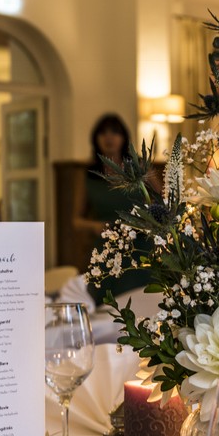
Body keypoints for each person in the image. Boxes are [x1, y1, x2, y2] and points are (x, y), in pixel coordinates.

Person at [75, 113, 152, 302]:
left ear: (124, 137)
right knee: (107, 307)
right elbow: (75, 221)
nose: (109, 137)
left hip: (140, 247)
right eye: (103, 133)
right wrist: (94, 226)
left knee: (143, 303)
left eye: (115, 132)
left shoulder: (139, 166)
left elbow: (163, 202)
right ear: (96, 138)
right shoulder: (88, 175)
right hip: (107, 249)